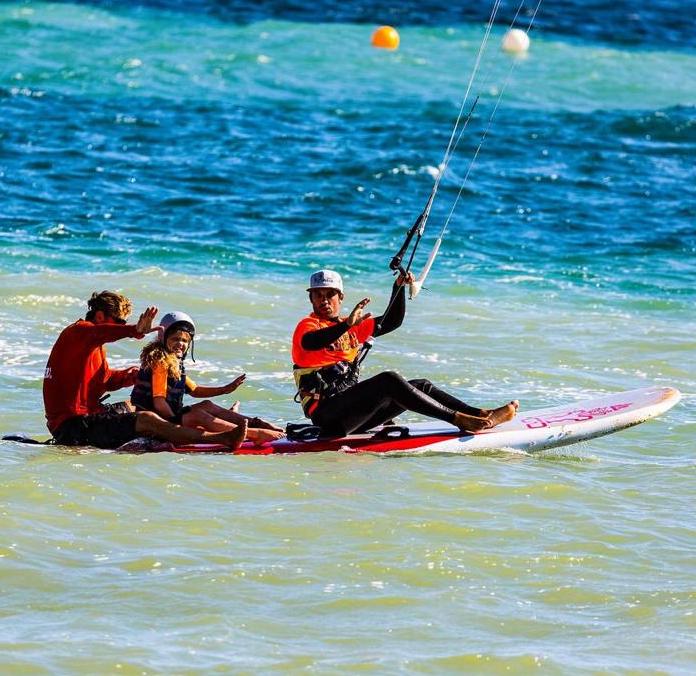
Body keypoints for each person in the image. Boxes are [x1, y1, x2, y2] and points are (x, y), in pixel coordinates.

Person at [291, 269, 518, 437]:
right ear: (311, 298)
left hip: (355, 415)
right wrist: (346, 325)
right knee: (388, 380)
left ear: (341, 297)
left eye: (330, 294)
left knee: (420, 385)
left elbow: (391, 321)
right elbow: (312, 343)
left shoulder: (352, 327)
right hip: (328, 417)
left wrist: (398, 288)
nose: (324, 300)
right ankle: (457, 419)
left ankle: (480, 414)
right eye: (318, 295)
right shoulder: (309, 326)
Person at [43, 291, 247, 450]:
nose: (121, 325)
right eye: (119, 321)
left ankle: (193, 428)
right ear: (100, 315)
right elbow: (101, 332)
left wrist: (137, 375)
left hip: (88, 417)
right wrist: (135, 330)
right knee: (146, 419)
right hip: (72, 428)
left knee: (137, 405)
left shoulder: (90, 346)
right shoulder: (79, 332)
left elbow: (105, 380)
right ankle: (222, 438)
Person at [130, 311, 284, 445]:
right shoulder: (160, 362)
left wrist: (225, 390)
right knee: (198, 415)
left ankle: (258, 424)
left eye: (185, 341)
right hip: (158, 423)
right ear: (163, 338)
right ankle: (254, 434)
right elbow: (159, 401)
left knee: (207, 405)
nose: (180, 344)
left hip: (168, 416)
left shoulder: (174, 362)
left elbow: (195, 390)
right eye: (175, 339)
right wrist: (177, 425)